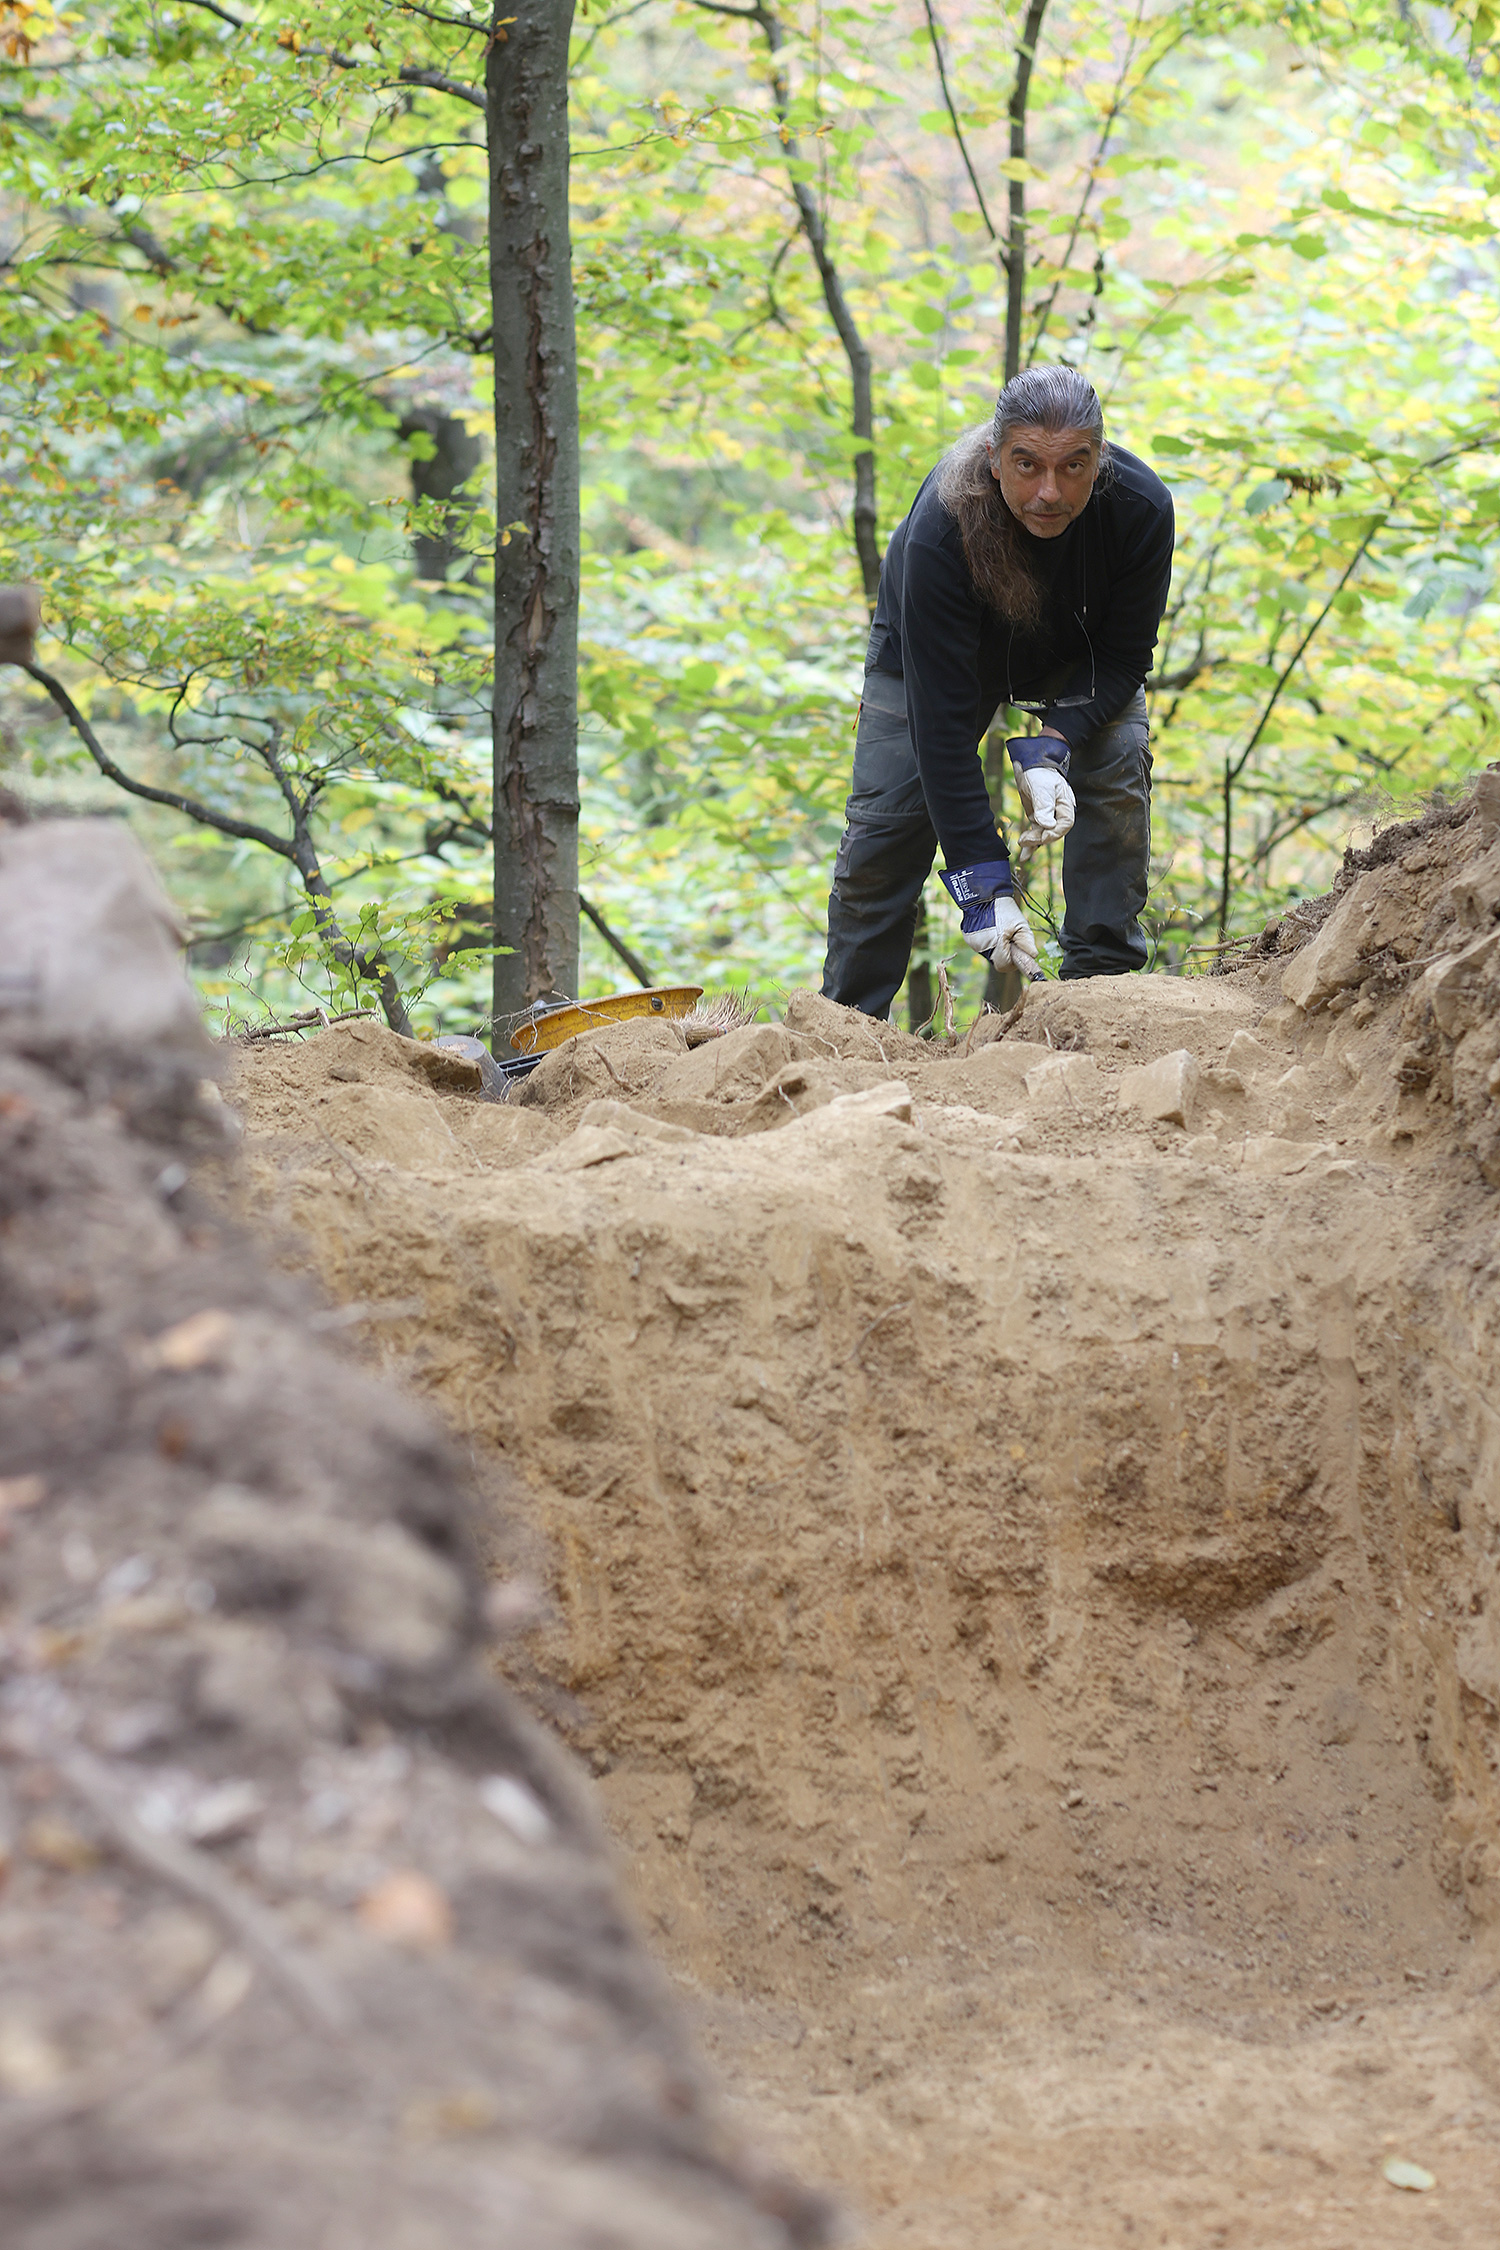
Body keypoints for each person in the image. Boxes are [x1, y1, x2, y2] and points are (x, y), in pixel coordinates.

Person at [821, 364, 1174, 1016]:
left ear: (1100, 460)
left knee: (1119, 760)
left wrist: (1054, 746)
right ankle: (845, 1025)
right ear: (993, 458)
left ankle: (1101, 994)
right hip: (932, 662)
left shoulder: (1141, 508)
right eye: (1027, 465)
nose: (1050, 492)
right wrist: (983, 888)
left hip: (1071, 658)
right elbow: (942, 731)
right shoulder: (941, 528)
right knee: (885, 831)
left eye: (1074, 466)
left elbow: (1125, 657)